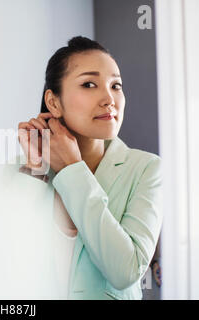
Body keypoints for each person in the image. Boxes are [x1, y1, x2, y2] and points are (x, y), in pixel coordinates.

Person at [17, 36, 162, 299]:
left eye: (116, 85)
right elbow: (7, 260)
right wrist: (34, 170)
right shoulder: (26, 169)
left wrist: (73, 169)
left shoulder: (146, 169)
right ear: (53, 102)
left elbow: (125, 271)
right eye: (89, 84)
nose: (109, 99)